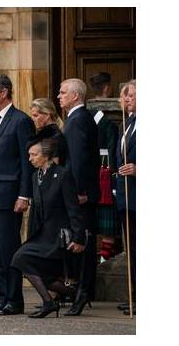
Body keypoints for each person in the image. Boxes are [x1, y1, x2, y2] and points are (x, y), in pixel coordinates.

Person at [0, 74, 35, 316]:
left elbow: (26, 162)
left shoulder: (21, 120)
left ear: (4, 92)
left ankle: (15, 299)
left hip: (9, 196)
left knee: (9, 249)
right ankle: (2, 296)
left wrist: (24, 195)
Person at [11, 137, 86, 318]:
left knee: (21, 259)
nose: (30, 158)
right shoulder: (34, 176)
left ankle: (51, 302)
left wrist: (78, 238)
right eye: (29, 154)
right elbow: (36, 212)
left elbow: (73, 208)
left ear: (46, 156)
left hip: (58, 236)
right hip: (42, 234)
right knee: (31, 266)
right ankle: (75, 295)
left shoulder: (62, 175)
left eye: (34, 154)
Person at [57, 78, 100, 316]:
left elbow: (80, 160)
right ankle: (80, 290)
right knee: (80, 243)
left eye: (63, 93)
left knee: (82, 243)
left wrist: (79, 191)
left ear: (75, 96)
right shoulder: (77, 118)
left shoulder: (77, 120)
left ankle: (82, 292)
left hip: (80, 194)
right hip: (80, 191)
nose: (59, 96)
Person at [89, 72, 121, 262]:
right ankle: (105, 258)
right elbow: (111, 151)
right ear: (108, 88)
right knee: (108, 226)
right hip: (106, 176)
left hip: (93, 175)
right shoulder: (109, 121)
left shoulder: (86, 114)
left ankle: (103, 257)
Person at [116, 80, 136, 315]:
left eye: (131, 95)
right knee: (131, 246)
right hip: (126, 194)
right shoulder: (129, 121)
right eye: (126, 96)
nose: (127, 99)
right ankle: (134, 295)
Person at [29, 98, 67, 166]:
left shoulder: (53, 136)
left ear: (47, 116)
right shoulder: (44, 134)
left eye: (35, 115)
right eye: (32, 116)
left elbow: (55, 165)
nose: (32, 119)